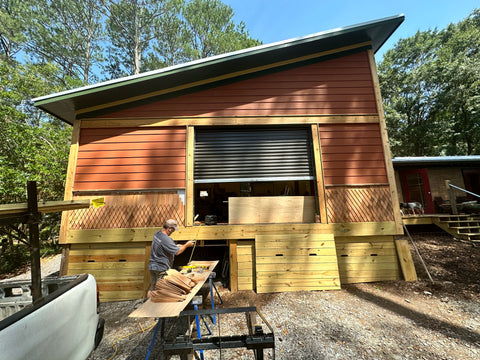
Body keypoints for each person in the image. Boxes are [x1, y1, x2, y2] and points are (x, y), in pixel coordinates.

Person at [148, 219, 195, 297]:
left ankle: (148, 305)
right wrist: (187, 245)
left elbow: (163, 247)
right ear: (169, 228)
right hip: (161, 268)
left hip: (152, 266)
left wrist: (176, 246)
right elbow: (177, 252)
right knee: (161, 289)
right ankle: (158, 307)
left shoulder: (157, 234)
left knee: (152, 288)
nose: (173, 231)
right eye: (173, 229)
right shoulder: (167, 239)